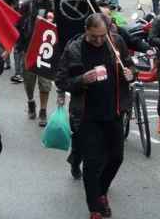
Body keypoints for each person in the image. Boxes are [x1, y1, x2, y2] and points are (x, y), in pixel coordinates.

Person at [55, 13, 134, 219]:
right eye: (94, 36)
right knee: (92, 163)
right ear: (86, 31)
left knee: (116, 158)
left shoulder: (116, 43)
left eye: (102, 36)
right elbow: (61, 80)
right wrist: (82, 79)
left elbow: (129, 65)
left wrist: (131, 73)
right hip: (87, 115)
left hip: (114, 111)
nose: (99, 40)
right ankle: (95, 209)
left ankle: (100, 193)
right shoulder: (74, 49)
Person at [18, 0, 55, 125]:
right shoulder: (27, 5)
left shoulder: (52, 5)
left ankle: (43, 111)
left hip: (46, 49)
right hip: (29, 48)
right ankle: (31, 101)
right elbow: (19, 26)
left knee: (45, 82)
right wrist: (20, 48)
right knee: (29, 81)